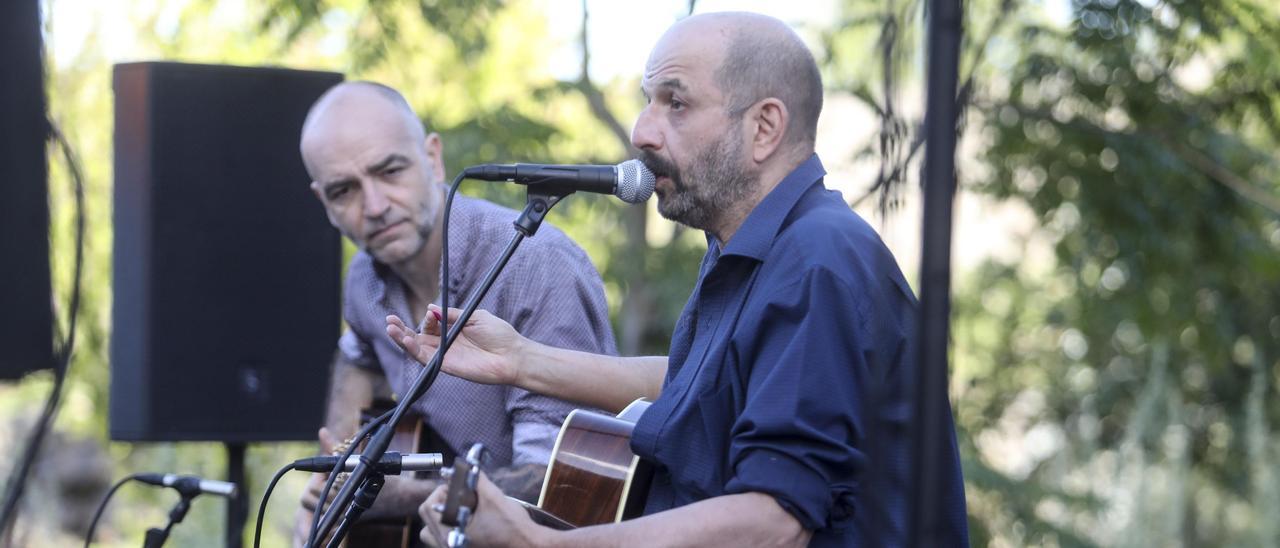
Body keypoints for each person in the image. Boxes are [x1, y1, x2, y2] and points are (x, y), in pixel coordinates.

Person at [389, 11, 970, 547]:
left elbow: (775, 519)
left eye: (676, 103)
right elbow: (702, 384)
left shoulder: (818, 263)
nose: (642, 131)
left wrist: (541, 543)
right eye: (648, 101)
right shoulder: (751, 247)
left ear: (764, 127)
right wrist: (519, 361)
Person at [293, 81, 617, 542]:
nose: (376, 206)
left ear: (433, 158)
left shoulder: (536, 265)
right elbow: (356, 356)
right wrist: (337, 468)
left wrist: (380, 491)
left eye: (390, 171)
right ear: (324, 202)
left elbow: (557, 482)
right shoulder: (364, 278)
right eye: (345, 190)